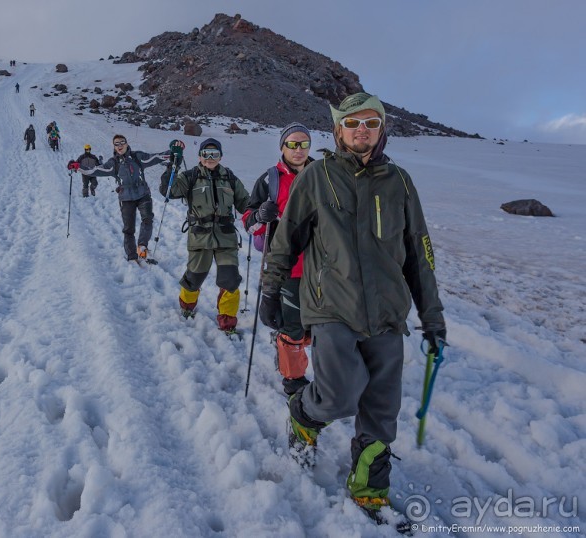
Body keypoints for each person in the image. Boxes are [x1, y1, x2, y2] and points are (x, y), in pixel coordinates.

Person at [259, 93, 446, 517]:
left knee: (382, 411)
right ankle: (304, 414)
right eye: (352, 122)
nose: (362, 129)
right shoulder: (318, 176)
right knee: (340, 395)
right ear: (338, 130)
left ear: (382, 130)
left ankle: (369, 490)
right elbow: (286, 240)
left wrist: (432, 318)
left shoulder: (399, 182)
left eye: (371, 123)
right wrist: (272, 290)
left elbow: (420, 253)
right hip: (331, 307)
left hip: (386, 314)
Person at [242, 122, 315, 395]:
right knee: (293, 326)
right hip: (287, 268)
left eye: (303, 144)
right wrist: (261, 216)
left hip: (323, 268)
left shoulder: (323, 176)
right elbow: (248, 225)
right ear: (282, 147)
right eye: (292, 144)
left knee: (316, 325)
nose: (298, 149)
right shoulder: (268, 180)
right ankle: (293, 379)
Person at [160, 138, 250, 334]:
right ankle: (187, 308)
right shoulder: (190, 176)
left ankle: (227, 323)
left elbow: (245, 203)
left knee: (230, 280)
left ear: (220, 156)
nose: (210, 158)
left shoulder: (230, 178)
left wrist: (259, 212)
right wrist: (173, 164)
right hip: (200, 236)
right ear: (200, 156)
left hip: (226, 237)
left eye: (214, 154)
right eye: (206, 154)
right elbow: (168, 191)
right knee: (194, 278)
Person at [78, 134, 170, 261]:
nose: (120, 145)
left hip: (143, 193)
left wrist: (173, 150)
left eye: (122, 142)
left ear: (127, 144)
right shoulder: (113, 163)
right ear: (114, 147)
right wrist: (78, 166)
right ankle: (132, 256)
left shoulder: (137, 157)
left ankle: (142, 246)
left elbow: (155, 157)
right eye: (117, 143)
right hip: (126, 197)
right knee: (128, 229)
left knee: (147, 219)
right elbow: (94, 170)